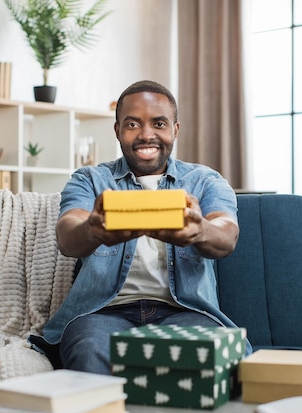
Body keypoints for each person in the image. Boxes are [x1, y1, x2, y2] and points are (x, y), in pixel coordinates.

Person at [29, 80, 252, 374]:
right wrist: (93, 229)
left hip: (186, 313)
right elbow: (68, 234)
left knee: (220, 359)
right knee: (88, 354)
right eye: (133, 124)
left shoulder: (205, 180)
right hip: (102, 314)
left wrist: (200, 230)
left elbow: (226, 234)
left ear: (175, 129)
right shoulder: (89, 180)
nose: (147, 135)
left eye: (159, 123)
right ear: (117, 130)